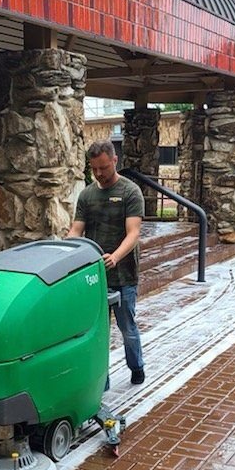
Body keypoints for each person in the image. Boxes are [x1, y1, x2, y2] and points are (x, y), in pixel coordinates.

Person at [67, 140, 145, 385]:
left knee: (127, 329)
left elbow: (133, 232)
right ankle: (103, 379)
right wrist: (65, 249)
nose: (99, 174)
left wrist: (115, 256)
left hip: (124, 276)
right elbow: (76, 229)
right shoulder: (87, 195)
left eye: (104, 168)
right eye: (94, 169)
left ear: (114, 161)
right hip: (95, 278)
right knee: (98, 334)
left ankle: (137, 367)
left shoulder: (130, 192)